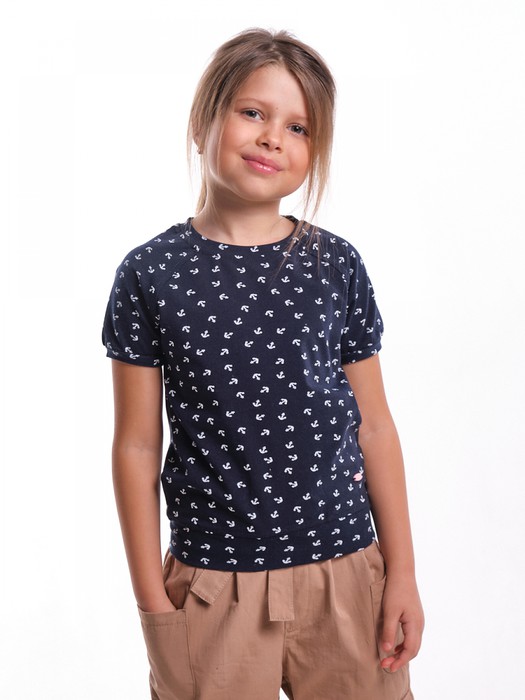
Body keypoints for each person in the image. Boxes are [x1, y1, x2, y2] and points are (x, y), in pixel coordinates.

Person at [102, 27, 424, 700]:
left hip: (345, 576)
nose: (273, 137)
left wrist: (401, 573)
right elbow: (136, 444)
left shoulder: (334, 265)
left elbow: (374, 426)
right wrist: (153, 604)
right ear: (203, 121)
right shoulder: (150, 274)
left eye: (298, 127)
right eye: (253, 112)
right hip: (213, 588)